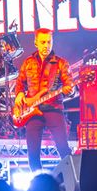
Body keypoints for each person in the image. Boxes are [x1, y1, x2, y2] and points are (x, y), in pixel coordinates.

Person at [14, 28, 74, 171]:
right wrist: (19, 94)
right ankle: (38, 182)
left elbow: (70, 86)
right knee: (33, 154)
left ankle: (71, 180)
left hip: (54, 109)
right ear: (36, 43)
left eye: (48, 42)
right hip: (32, 111)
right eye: (43, 42)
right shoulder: (28, 62)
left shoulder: (61, 63)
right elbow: (20, 83)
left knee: (64, 150)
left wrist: (70, 91)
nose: (46, 45)